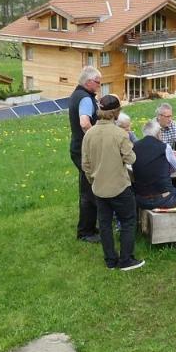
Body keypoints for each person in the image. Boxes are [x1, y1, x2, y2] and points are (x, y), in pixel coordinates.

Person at [81, 95, 145, 271]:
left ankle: (110, 260)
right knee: (128, 220)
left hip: (99, 187)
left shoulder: (89, 134)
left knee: (105, 224)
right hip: (119, 187)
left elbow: (85, 164)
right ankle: (126, 260)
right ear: (116, 112)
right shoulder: (120, 134)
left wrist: (93, 180)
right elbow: (131, 158)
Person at [68, 65, 101, 242]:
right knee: (89, 191)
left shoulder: (76, 95)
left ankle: (88, 228)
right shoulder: (86, 99)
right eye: (98, 82)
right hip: (84, 151)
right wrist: (97, 137)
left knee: (86, 189)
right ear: (88, 82)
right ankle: (86, 233)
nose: (99, 86)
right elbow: (84, 123)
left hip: (78, 148)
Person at [132, 118, 176, 210]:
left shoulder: (134, 146)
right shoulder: (164, 147)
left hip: (141, 199)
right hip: (164, 199)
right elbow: (175, 167)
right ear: (158, 133)